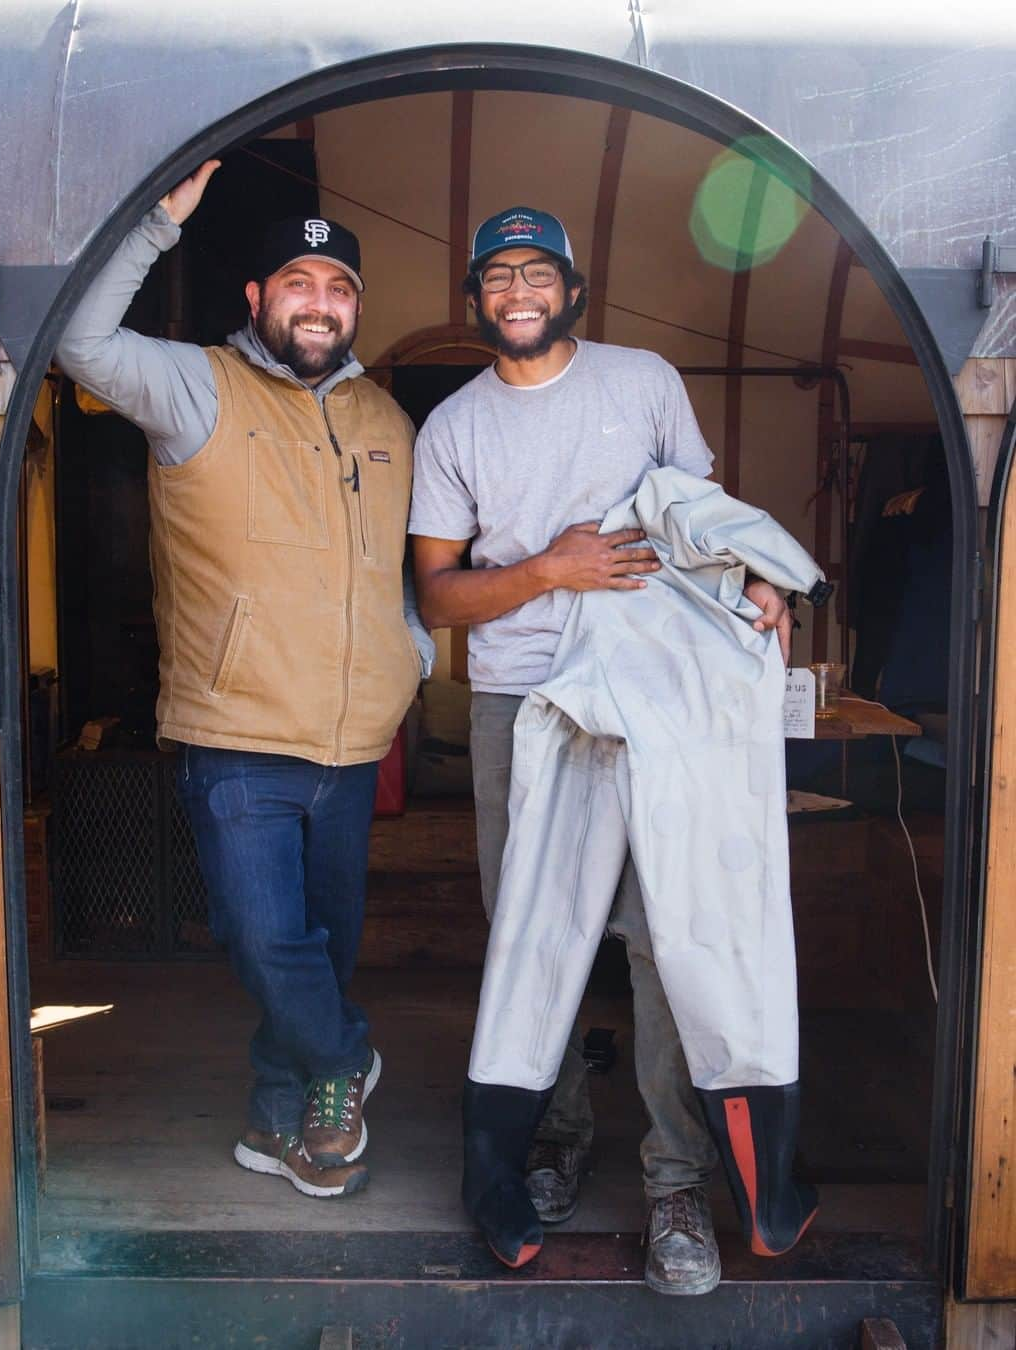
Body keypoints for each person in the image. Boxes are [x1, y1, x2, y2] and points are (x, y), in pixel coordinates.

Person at [409, 206, 791, 1293]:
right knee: (537, 937)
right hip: (523, 702)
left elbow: (703, 521)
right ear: (474, 296)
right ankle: (554, 1142)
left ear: (574, 288)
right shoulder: (455, 429)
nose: (516, 291)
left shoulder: (644, 381)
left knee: (673, 937)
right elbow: (438, 596)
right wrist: (548, 570)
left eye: (537, 272)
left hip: (662, 687)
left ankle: (678, 1180)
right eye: (496, 276)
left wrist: (762, 580)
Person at [56, 161, 434, 1201]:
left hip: (353, 745)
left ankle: (286, 1127)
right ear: (258, 299)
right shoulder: (194, 387)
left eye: (340, 288)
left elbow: (404, 566)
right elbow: (77, 341)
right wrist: (153, 227)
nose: (321, 303)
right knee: (268, 940)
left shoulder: (388, 423)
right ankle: (346, 1060)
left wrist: (417, 651)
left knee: (318, 947)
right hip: (238, 735)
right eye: (300, 283)